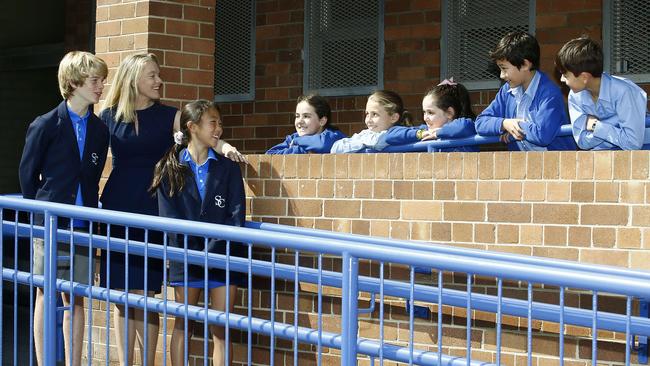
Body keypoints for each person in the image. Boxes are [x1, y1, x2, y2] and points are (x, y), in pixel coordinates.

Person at [99, 53, 246, 366]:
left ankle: (149, 362)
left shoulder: (171, 115)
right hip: (118, 206)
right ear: (132, 79)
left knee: (146, 293)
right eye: (152, 75)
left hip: (153, 207)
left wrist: (227, 148)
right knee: (122, 297)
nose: (158, 81)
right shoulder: (108, 116)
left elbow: (203, 136)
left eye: (158, 74)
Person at [19, 51, 109, 366]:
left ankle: (73, 362)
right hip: (49, 224)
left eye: (102, 80)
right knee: (45, 292)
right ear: (73, 82)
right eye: (95, 80)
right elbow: (27, 177)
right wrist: (43, 212)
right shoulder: (45, 125)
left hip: (83, 226)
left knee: (77, 298)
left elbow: (93, 179)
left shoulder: (100, 130)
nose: (101, 87)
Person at [151, 100, 246, 366]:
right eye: (213, 122)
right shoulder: (169, 168)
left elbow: (236, 216)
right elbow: (169, 220)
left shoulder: (227, 168)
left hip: (223, 257)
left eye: (220, 122)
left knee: (222, 329)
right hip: (186, 259)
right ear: (192, 127)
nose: (219, 128)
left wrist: (212, 252)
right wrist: (195, 254)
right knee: (183, 324)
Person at [475, 31, 576, 151]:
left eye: (504, 68)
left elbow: (542, 134)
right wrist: (504, 124)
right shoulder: (506, 91)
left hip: (556, 165)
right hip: (523, 166)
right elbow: (480, 122)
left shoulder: (549, 93)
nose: (502, 75)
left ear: (525, 64)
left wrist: (516, 127)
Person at [555, 37, 650, 150]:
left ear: (584, 77)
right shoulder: (575, 95)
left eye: (565, 75)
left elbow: (633, 144)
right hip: (604, 156)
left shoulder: (623, 91)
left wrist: (596, 126)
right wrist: (616, 122)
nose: (561, 79)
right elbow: (582, 142)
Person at [385, 78, 479, 152]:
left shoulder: (466, 125)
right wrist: (420, 134)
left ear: (449, 113)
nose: (425, 118)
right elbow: (391, 135)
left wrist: (438, 133)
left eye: (430, 112)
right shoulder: (426, 130)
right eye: (424, 112)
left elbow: (464, 126)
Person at [330, 90, 412, 153]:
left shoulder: (397, 134)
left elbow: (380, 141)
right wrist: (363, 142)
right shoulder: (366, 134)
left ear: (393, 117)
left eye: (375, 114)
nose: (368, 120)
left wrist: (360, 141)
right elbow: (336, 148)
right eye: (367, 114)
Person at [266, 94, 346, 154]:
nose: (300, 121)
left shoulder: (334, 135)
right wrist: (300, 150)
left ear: (322, 121)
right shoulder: (294, 138)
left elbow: (322, 146)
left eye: (306, 116)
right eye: (297, 116)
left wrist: (297, 142)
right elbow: (269, 154)